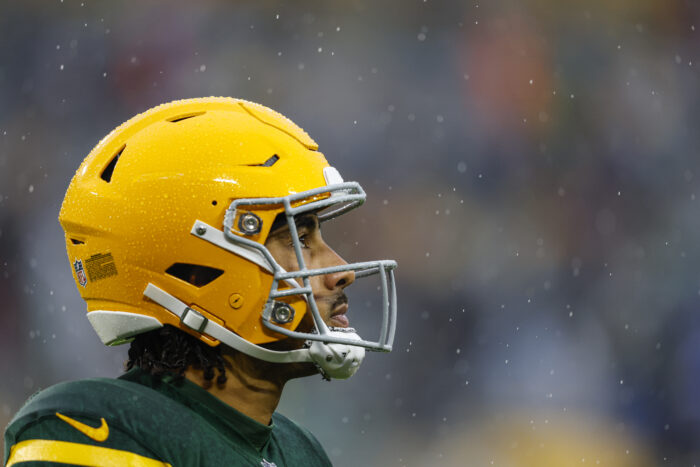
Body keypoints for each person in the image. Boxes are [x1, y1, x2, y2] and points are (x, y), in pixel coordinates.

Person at [3, 97, 398, 466]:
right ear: (196, 270)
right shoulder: (98, 425)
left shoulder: (299, 451)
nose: (341, 269)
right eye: (297, 238)